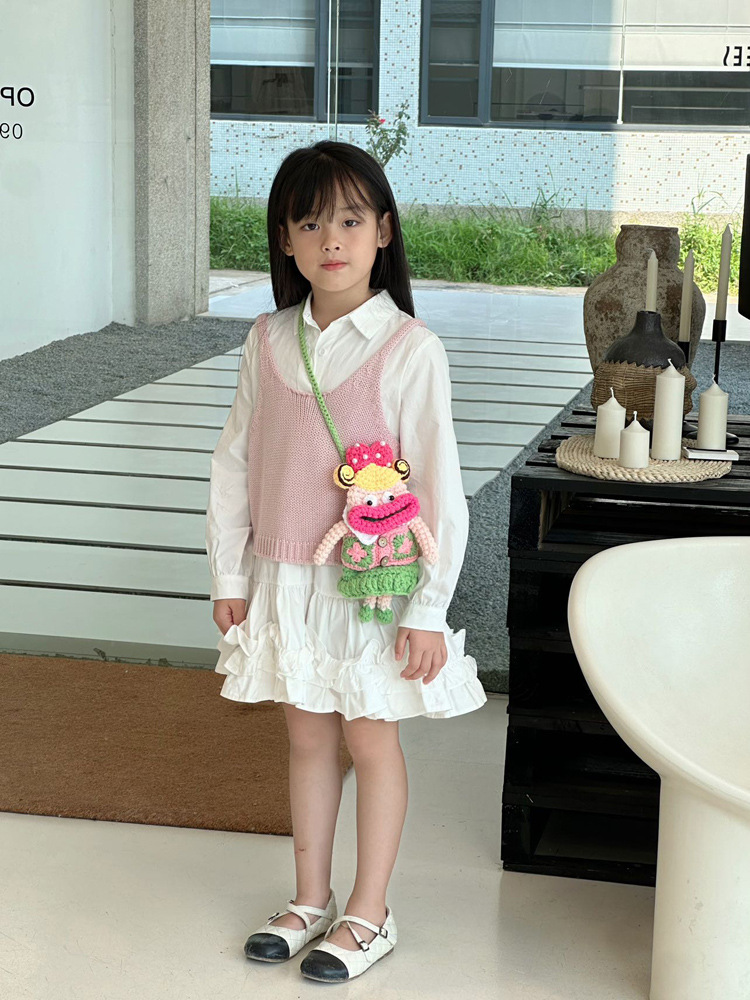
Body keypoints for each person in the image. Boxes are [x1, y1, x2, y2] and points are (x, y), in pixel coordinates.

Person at [205, 139, 487, 983]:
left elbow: (438, 488)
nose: (332, 239)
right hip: (287, 577)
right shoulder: (266, 339)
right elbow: (234, 461)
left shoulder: (409, 348)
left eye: (351, 221)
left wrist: (428, 610)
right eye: (310, 223)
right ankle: (308, 899)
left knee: (370, 740)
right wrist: (230, 575)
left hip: (372, 587)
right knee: (306, 739)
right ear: (284, 240)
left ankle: (369, 913)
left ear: (384, 233)